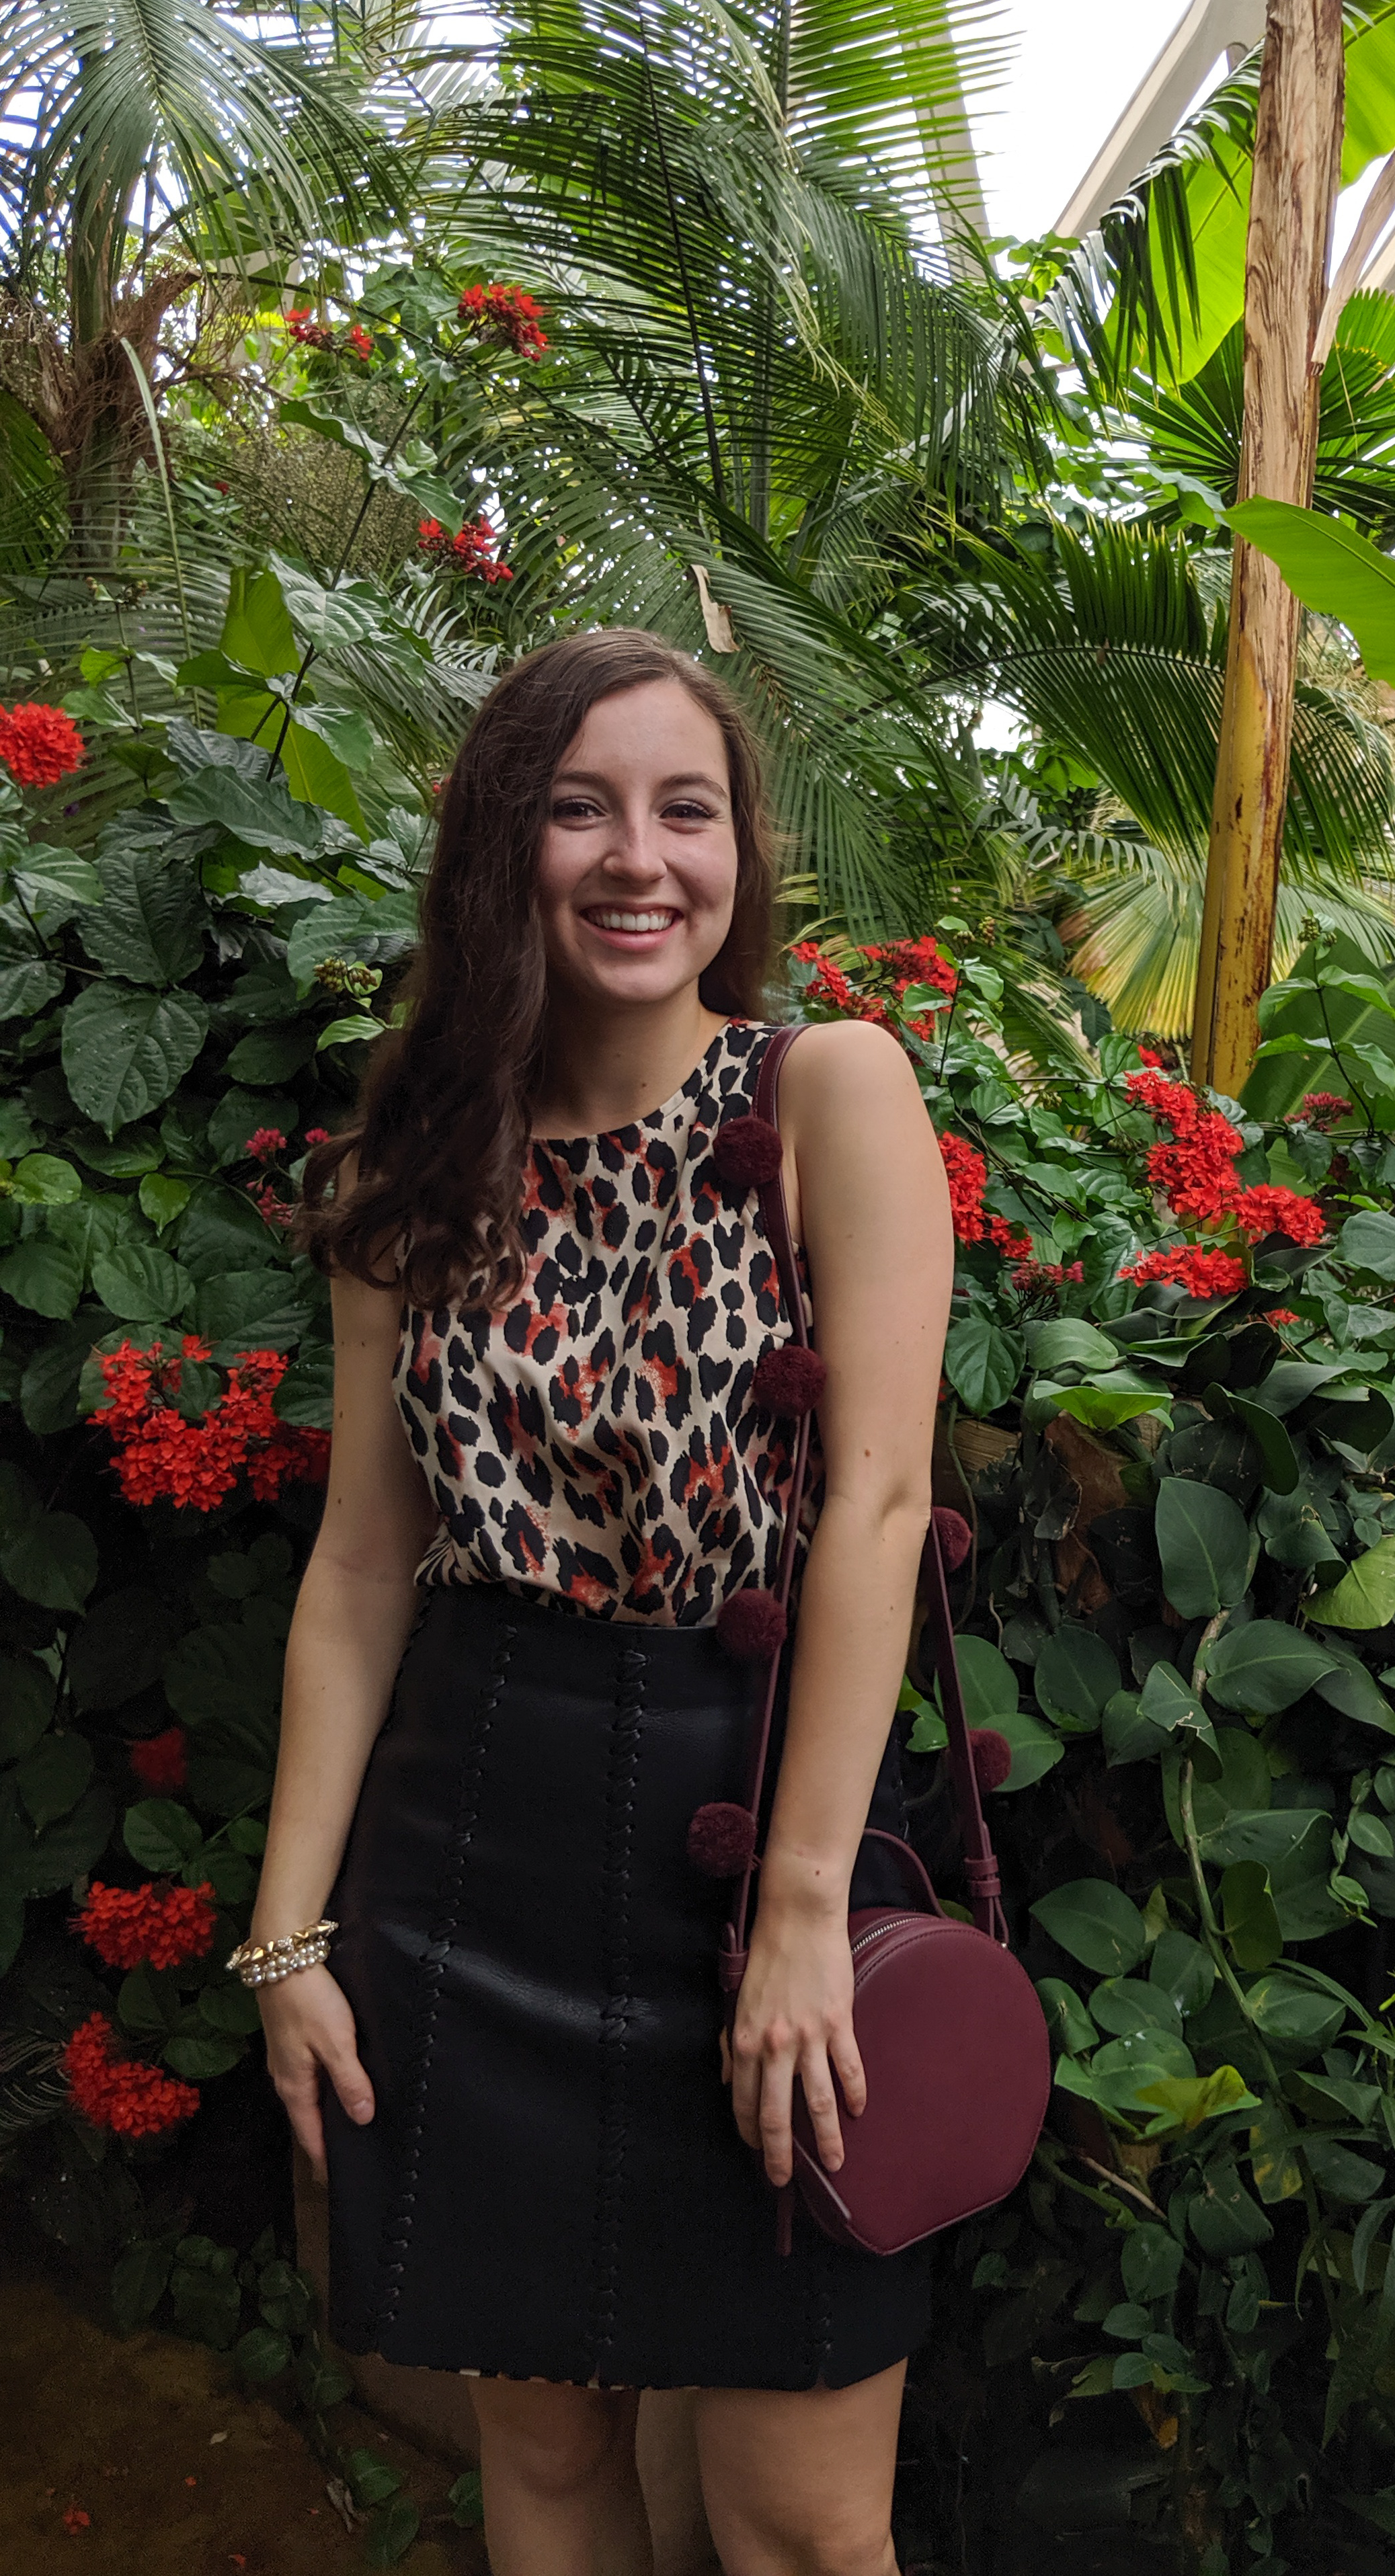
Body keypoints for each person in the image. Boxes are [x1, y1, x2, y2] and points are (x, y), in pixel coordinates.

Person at [240, 631, 953, 2576]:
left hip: (766, 1845)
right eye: (581, 806)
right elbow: (366, 1563)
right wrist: (287, 1937)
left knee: (800, 2522)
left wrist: (805, 1914)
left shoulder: (830, 1093)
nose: (640, 858)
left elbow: (876, 1508)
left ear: (738, 856)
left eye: (687, 809)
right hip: (482, 1847)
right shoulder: (422, 1155)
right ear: (504, 847)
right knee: (546, 2474)